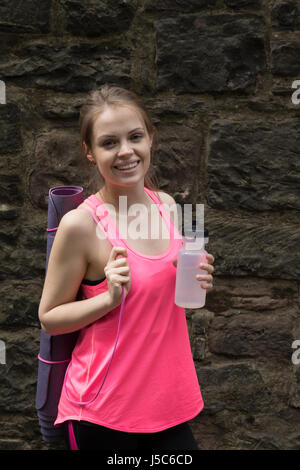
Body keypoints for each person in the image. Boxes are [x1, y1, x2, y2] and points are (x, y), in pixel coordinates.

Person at [38, 84, 215, 451]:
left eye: (135, 137)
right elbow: (50, 317)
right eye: (109, 143)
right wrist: (107, 299)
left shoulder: (165, 205)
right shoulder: (81, 225)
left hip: (168, 408)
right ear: (89, 152)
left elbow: (158, 303)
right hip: (103, 414)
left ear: (150, 138)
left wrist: (197, 280)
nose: (126, 151)